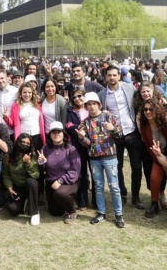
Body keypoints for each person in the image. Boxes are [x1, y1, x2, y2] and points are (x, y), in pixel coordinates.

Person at [98, 65, 148, 209]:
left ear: (119, 76)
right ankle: (123, 194)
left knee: (136, 167)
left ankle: (136, 196)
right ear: (105, 77)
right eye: (109, 75)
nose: (112, 78)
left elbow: (143, 99)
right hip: (114, 135)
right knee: (117, 166)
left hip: (132, 132)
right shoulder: (102, 95)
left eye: (114, 75)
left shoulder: (129, 88)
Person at [76, 92, 125, 228]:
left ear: (99, 104)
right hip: (94, 159)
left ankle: (118, 214)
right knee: (98, 187)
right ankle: (101, 213)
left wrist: (113, 128)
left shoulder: (108, 116)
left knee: (114, 187)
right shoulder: (85, 122)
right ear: (86, 106)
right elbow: (87, 143)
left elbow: (119, 134)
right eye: (89, 104)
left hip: (110, 157)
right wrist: (81, 137)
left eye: (94, 104)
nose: (92, 107)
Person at [39, 122, 81, 223]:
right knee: (55, 213)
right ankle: (64, 201)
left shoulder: (71, 149)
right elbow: (41, 171)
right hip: (51, 183)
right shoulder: (45, 148)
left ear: (64, 134)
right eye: (53, 132)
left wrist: (61, 180)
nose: (56, 134)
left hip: (69, 181)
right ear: (50, 135)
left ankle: (72, 211)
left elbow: (75, 170)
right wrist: (41, 162)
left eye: (59, 132)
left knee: (60, 193)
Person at [2, 133, 41, 226]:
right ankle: (24, 203)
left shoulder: (32, 155)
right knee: (13, 210)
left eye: (28, 143)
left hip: (31, 187)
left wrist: (28, 163)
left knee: (31, 181)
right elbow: (6, 175)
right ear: (18, 142)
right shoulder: (8, 157)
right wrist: (10, 189)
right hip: (17, 187)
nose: (25, 145)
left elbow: (36, 175)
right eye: (23, 142)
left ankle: (35, 212)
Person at [65, 89, 94, 210]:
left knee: (95, 174)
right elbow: (68, 125)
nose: (77, 99)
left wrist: (84, 128)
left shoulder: (91, 109)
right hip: (77, 146)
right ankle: (83, 202)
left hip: (92, 145)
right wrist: (80, 127)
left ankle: (97, 202)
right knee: (82, 173)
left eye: (79, 96)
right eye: (74, 97)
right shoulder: (70, 111)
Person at [3, 82, 46, 150]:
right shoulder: (16, 106)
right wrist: (6, 117)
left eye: (29, 92)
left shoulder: (38, 104)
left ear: (32, 93)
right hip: (24, 138)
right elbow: (13, 124)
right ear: (20, 93)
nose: (27, 94)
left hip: (37, 136)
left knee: (38, 158)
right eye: (24, 92)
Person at [0, 71, 18, 137]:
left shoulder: (15, 91)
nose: (0, 81)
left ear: (7, 78)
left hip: (12, 129)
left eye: (2, 78)